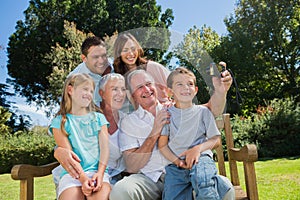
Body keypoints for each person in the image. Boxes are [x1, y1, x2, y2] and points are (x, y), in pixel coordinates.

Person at [109, 69, 234, 200]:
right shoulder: (129, 122)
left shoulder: (175, 106)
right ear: (132, 95)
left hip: (188, 172)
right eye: (140, 87)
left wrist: (221, 91)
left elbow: (210, 109)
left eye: (148, 84)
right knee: (121, 191)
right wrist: (155, 132)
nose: (146, 89)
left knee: (225, 189)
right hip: (151, 179)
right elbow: (132, 166)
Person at [158, 67, 234, 200]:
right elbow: (162, 145)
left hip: (201, 159)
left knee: (203, 181)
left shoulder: (203, 112)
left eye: (190, 84)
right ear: (170, 92)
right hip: (176, 166)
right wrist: (177, 162)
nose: (186, 87)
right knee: (172, 195)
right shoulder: (167, 115)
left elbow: (215, 139)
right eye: (179, 84)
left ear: (195, 90)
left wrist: (197, 149)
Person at [49, 73, 111, 199]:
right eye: (85, 89)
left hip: (98, 173)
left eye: (91, 91)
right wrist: (83, 179)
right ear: (70, 90)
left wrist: (100, 173)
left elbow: (105, 150)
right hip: (72, 175)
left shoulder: (99, 118)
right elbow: (69, 157)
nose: (89, 94)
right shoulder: (60, 122)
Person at [113, 32, 171, 105]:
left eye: (133, 49)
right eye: (125, 50)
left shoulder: (152, 67)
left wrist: (174, 104)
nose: (131, 54)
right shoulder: (122, 79)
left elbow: (177, 87)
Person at [69, 36, 113, 106]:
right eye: (95, 57)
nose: (101, 61)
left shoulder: (115, 64)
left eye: (103, 55)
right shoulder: (74, 80)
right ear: (84, 58)